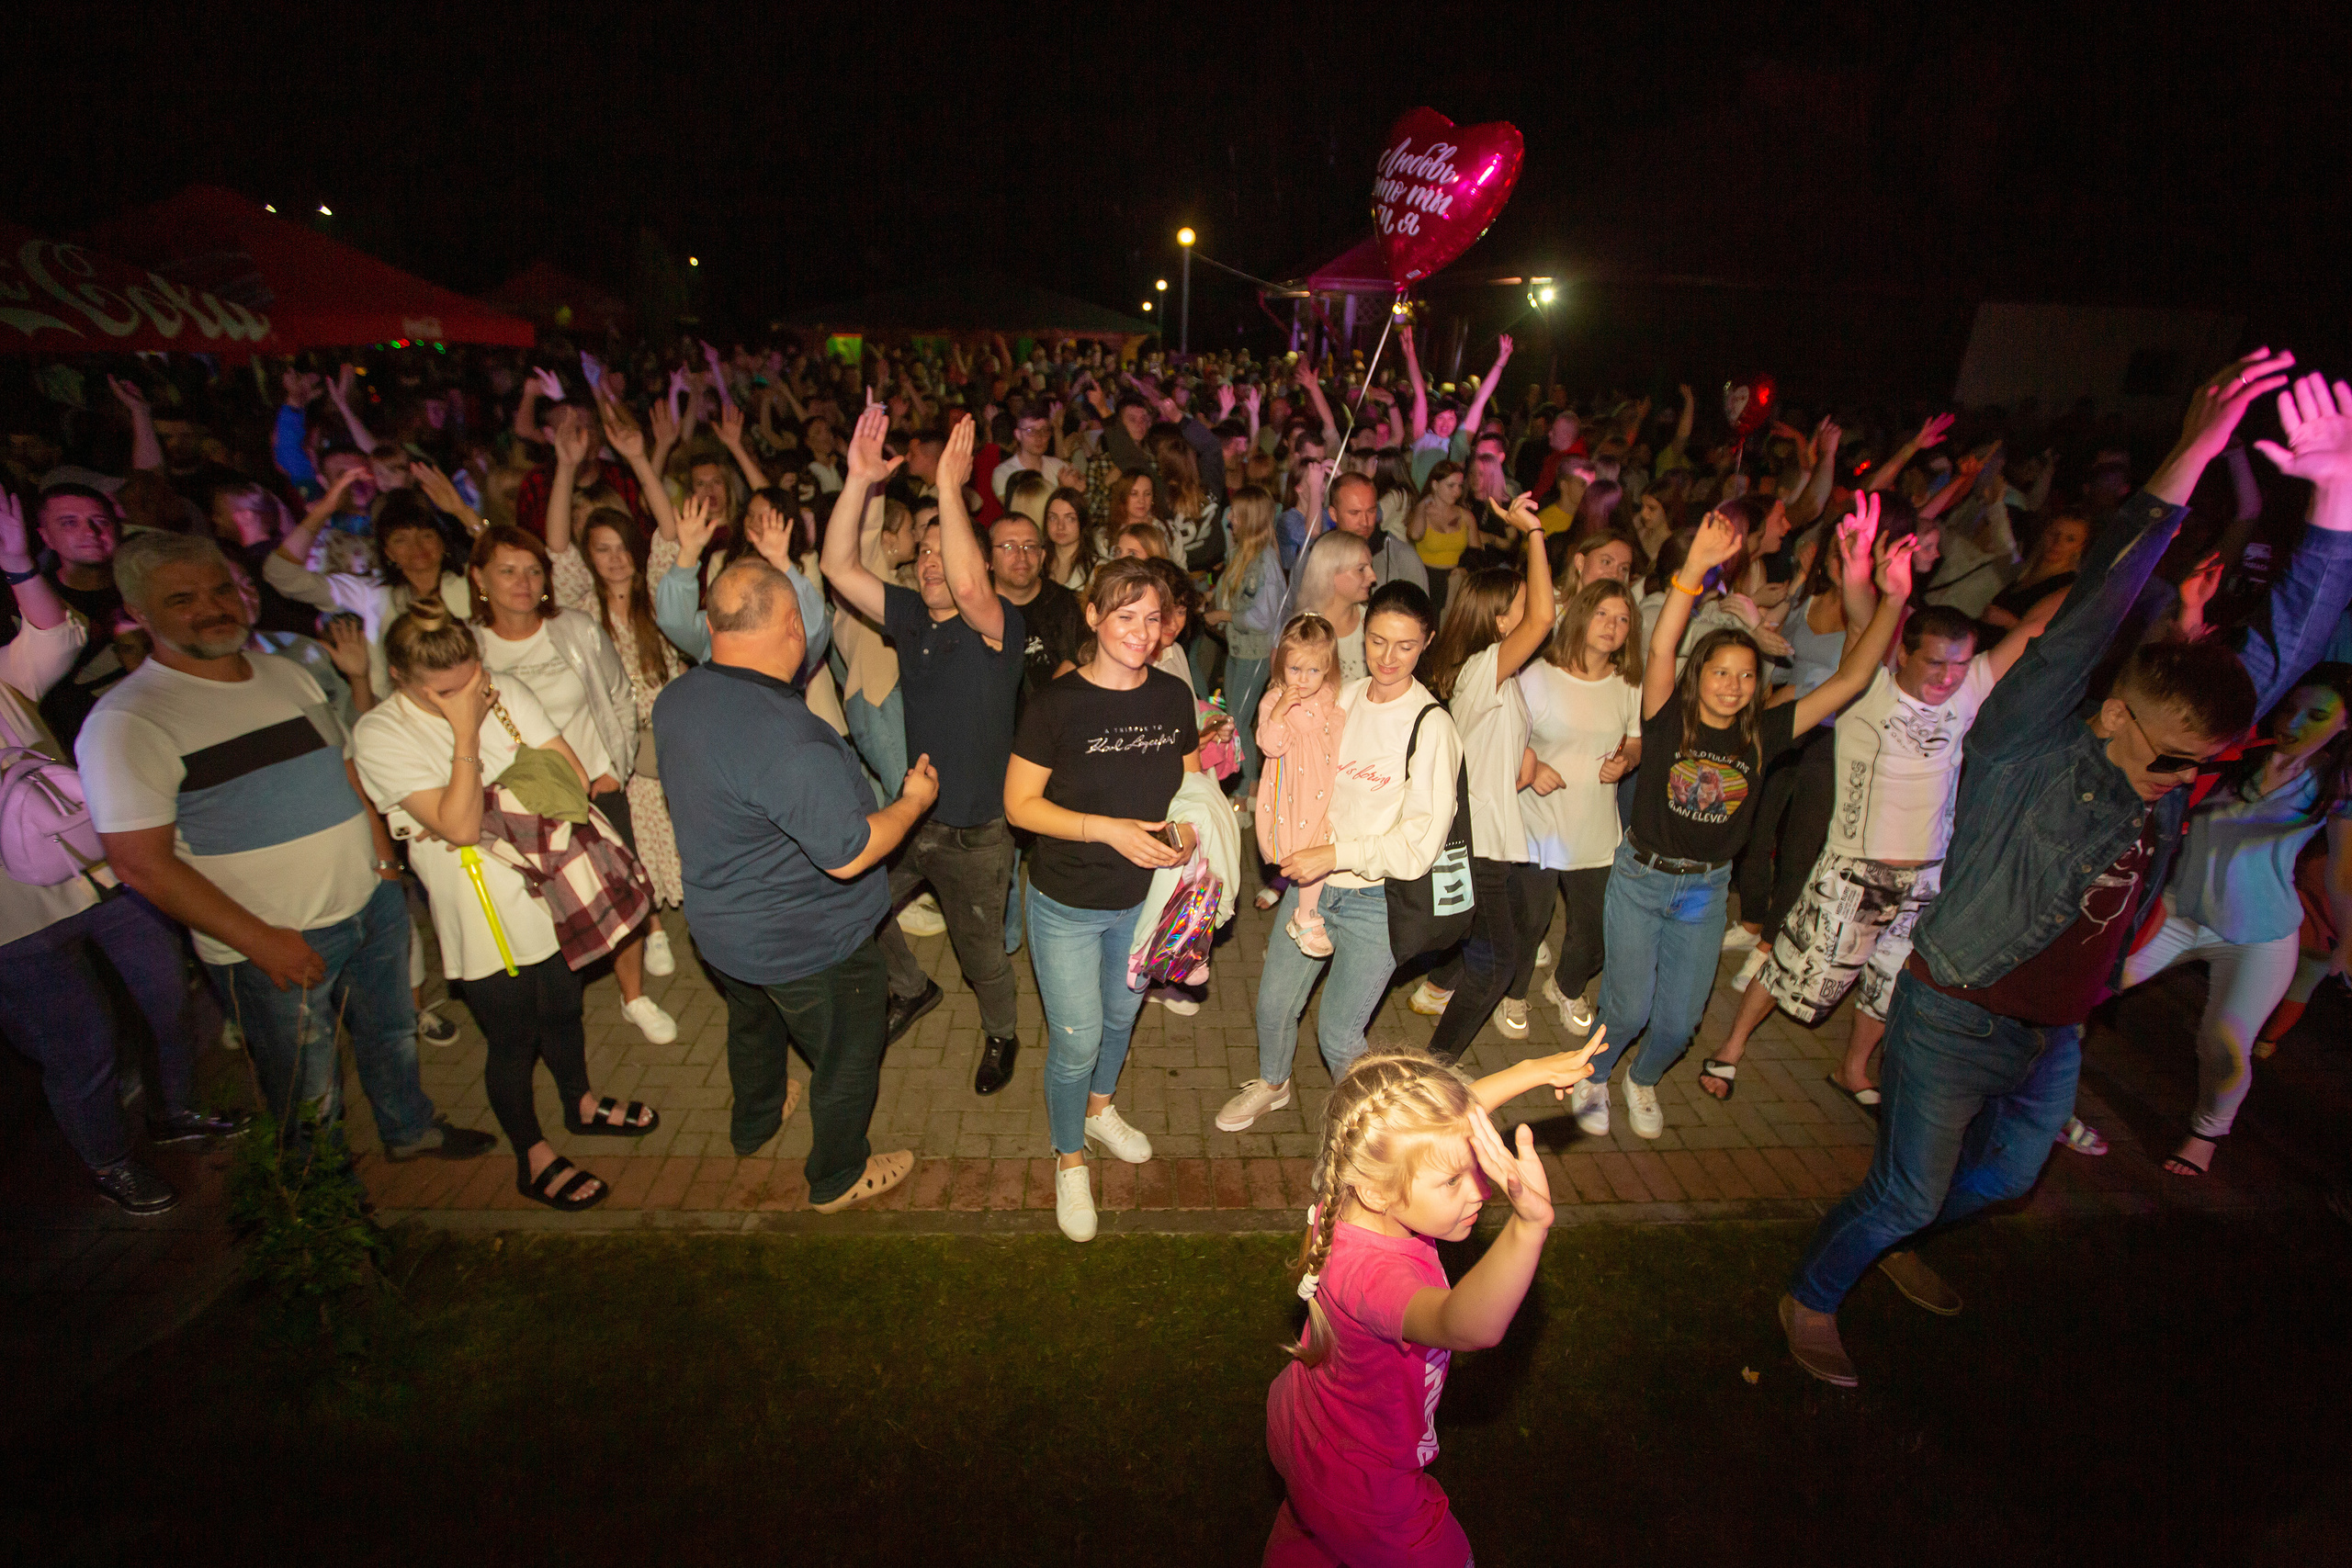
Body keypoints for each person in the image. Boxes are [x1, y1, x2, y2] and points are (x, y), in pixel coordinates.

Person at [1781, 355, 2352, 1388]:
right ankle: (1814, 1291)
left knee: (2000, 1175)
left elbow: (2278, 654)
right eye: (2173, 759)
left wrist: (2339, 501)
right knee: (1909, 1189)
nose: (2185, 782)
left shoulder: (2171, 763)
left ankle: (1886, 1234)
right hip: (1953, 1009)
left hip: (2050, 1032)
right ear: (2117, 712)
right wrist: (2192, 455)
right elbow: (2098, 599)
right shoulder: (2025, 743)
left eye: (2199, 767)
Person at [78, 531, 490, 1166]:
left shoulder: (285, 673)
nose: (213, 606)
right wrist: (258, 938)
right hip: (272, 939)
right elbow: (139, 862)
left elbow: (346, 771)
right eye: (183, 598)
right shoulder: (127, 720)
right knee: (307, 1087)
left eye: (221, 588)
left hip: (369, 905)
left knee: (392, 1037)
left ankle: (410, 1132)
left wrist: (385, 868)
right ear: (136, 612)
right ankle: (325, 1212)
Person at [1575, 502, 1916, 1142]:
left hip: (1704, 893)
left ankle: (1641, 1078)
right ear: (1698, 676)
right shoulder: (1667, 717)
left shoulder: (1765, 734)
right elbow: (1664, 646)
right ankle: (1595, 1070)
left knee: (1677, 1022)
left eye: (1745, 676)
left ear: (1759, 684)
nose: (1731, 686)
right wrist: (1695, 570)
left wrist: (1890, 601)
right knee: (1626, 1006)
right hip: (1642, 878)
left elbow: (1852, 678)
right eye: (1720, 672)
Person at [354, 604, 662, 1211]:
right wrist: (467, 733)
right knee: (513, 1036)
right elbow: (465, 826)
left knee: (565, 1006)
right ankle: (532, 1153)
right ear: (400, 677)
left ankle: (580, 1102)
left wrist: (479, 797)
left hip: (552, 892)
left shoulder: (506, 688)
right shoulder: (379, 734)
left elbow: (571, 781)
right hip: (482, 916)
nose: (469, 692)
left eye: (473, 677)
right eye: (446, 690)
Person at [653, 557, 933, 1211]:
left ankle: (755, 1118)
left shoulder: (680, 697)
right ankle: (837, 1174)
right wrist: (913, 800)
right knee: (848, 1052)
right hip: (809, 945)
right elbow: (850, 851)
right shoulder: (788, 738)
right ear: (788, 625)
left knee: (752, 1023)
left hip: (722, 933)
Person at [1703, 596, 2056, 1110]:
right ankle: (1731, 1047)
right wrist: (1880, 586)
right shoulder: (1872, 690)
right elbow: (1862, 623)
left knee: (1889, 982)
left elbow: (2034, 625)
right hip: (1857, 873)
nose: (1949, 676)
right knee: (1792, 963)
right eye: (1935, 661)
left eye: (1960, 663)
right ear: (1904, 656)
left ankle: (1852, 1069)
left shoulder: (1972, 687)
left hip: (1927, 875)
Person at [0, 492, 246, 1213]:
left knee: (167, 996)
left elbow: (59, 635)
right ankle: (109, 1160)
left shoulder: (5, 679)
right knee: (82, 1047)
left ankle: (176, 1113)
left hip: (104, 874)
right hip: (16, 920)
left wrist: (19, 563)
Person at [1262, 1041, 1599, 1568]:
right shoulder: (1375, 1278)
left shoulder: (1353, 1194)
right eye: (1452, 1181)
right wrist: (1528, 1227)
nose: (1479, 1192)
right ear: (1380, 1190)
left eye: (1473, 1169)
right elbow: (1465, 1325)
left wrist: (1530, 1070)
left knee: (1313, 1526)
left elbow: (1434, 1130)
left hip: (1306, 1424)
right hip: (1364, 1488)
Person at [825, 410, 1028, 1095]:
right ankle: (910, 987)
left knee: (983, 958)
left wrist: (949, 485)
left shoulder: (999, 626)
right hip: (914, 819)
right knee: (855, 907)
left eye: (951, 549)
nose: (935, 563)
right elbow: (836, 565)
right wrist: (858, 482)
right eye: (926, 552)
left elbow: (973, 589)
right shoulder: (911, 616)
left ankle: (1003, 1031)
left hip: (979, 836)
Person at [2082, 664, 2352, 1177]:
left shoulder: (2332, 781)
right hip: (2180, 911)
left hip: (2260, 931)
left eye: (2318, 716)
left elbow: (2342, 867)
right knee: (2087, 992)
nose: (2297, 724)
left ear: (2345, 725)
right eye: (2292, 709)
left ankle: (2207, 1132)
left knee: (2225, 1040)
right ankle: (2041, 1100)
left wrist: (2349, 940)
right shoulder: (2235, 752)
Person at [1004, 558, 1200, 1242]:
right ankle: (1069, 1159)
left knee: (1120, 1018)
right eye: (1125, 616)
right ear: (1092, 615)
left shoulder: (1174, 698)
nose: (1142, 632)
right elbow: (1019, 805)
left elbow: (1191, 787)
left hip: (1143, 904)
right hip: (1066, 902)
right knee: (1077, 1036)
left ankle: (1100, 1108)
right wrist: (1107, 830)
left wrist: (1185, 833)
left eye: (1153, 618)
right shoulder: (1057, 704)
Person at [1221, 581, 1461, 1134]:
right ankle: (1274, 1084)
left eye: (1404, 645)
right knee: (1274, 1005)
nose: (1388, 657)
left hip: (1376, 901)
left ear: (1426, 643)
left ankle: (1364, 1143)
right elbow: (1286, 754)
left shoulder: (1431, 726)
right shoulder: (1343, 697)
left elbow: (1418, 847)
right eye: (1377, 640)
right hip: (1314, 881)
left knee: (1338, 1034)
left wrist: (1337, 851)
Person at [468, 525, 676, 1043]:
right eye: (508, 571)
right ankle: (557, 1005)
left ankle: (634, 999)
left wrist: (615, 765)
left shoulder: (577, 628)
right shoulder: (468, 647)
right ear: (479, 579)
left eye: (533, 570)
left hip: (595, 789)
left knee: (620, 896)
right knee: (545, 905)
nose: (523, 581)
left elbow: (619, 696)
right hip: (516, 806)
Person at [1415, 496, 1556, 1058]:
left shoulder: (1497, 674)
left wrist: (1521, 766)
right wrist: (1536, 533)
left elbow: (1491, 750)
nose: (1539, 612)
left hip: (1487, 836)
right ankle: (1434, 1068)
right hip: (1478, 843)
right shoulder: (1483, 669)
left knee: (1485, 944)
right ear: (1501, 622)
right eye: (1520, 605)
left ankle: (1434, 995)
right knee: (1498, 961)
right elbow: (1545, 617)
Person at [1507, 579, 1646, 1035]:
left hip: (1595, 827)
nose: (1612, 626)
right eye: (1603, 613)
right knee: (1529, 923)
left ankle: (1566, 987)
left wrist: (1626, 760)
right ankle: (1512, 993)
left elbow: (1637, 742)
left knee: (1595, 931)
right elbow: (1505, 740)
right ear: (1581, 614)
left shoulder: (1628, 683)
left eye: (1623, 619)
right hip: (1538, 823)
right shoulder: (1539, 675)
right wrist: (1535, 763)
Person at [266, 482, 477, 700]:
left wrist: (462, 511)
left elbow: (509, 559)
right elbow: (282, 575)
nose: (417, 546)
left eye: (425, 535)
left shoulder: (473, 581)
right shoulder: (373, 594)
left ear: (442, 541)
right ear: (388, 553)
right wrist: (322, 512)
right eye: (400, 539)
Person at [1256, 615, 1347, 956]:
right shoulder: (1274, 700)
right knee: (1310, 850)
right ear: (1282, 663)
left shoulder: (1330, 696)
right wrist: (1279, 712)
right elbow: (1270, 745)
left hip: (1327, 786)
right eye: (1295, 669)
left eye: (1314, 671)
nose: (1304, 680)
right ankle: (1305, 915)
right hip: (1296, 795)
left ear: (1328, 668)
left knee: (1322, 849)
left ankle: (1307, 914)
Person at [1206, 485, 1286, 816]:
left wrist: (1225, 616)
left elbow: (1263, 617)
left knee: (1238, 719)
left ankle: (1246, 789)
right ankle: (1248, 785)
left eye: (1236, 515)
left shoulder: (1265, 562)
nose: (1231, 520)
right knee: (1234, 716)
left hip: (1256, 651)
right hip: (1238, 648)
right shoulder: (1244, 553)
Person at [1981, 510, 2090, 628]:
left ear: (2080, 546)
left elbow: (2047, 638)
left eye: (2070, 539)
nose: (2058, 543)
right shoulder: (2026, 568)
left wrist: (2009, 622)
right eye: (2054, 533)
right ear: (2044, 532)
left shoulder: (2065, 587)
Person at [1330, 471, 1427, 592]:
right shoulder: (1319, 554)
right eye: (1355, 513)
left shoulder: (1402, 557)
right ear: (1333, 514)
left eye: (1371, 511)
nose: (1365, 522)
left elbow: (1420, 610)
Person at [1407, 461, 1473, 615]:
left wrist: (1465, 569)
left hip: (1455, 580)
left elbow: (1476, 552)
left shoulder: (1466, 516)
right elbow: (1414, 534)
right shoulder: (1422, 511)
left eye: (1460, 486)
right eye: (1451, 486)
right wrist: (1423, 505)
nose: (1457, 491)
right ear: (1435, 485)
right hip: (1426, 579)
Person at [1043, 485, 1096, 592]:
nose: (1060, 526)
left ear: (1082, 522)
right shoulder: (1037, 563)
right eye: (1053, 518)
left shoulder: (1097, 569)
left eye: (1070, 519)